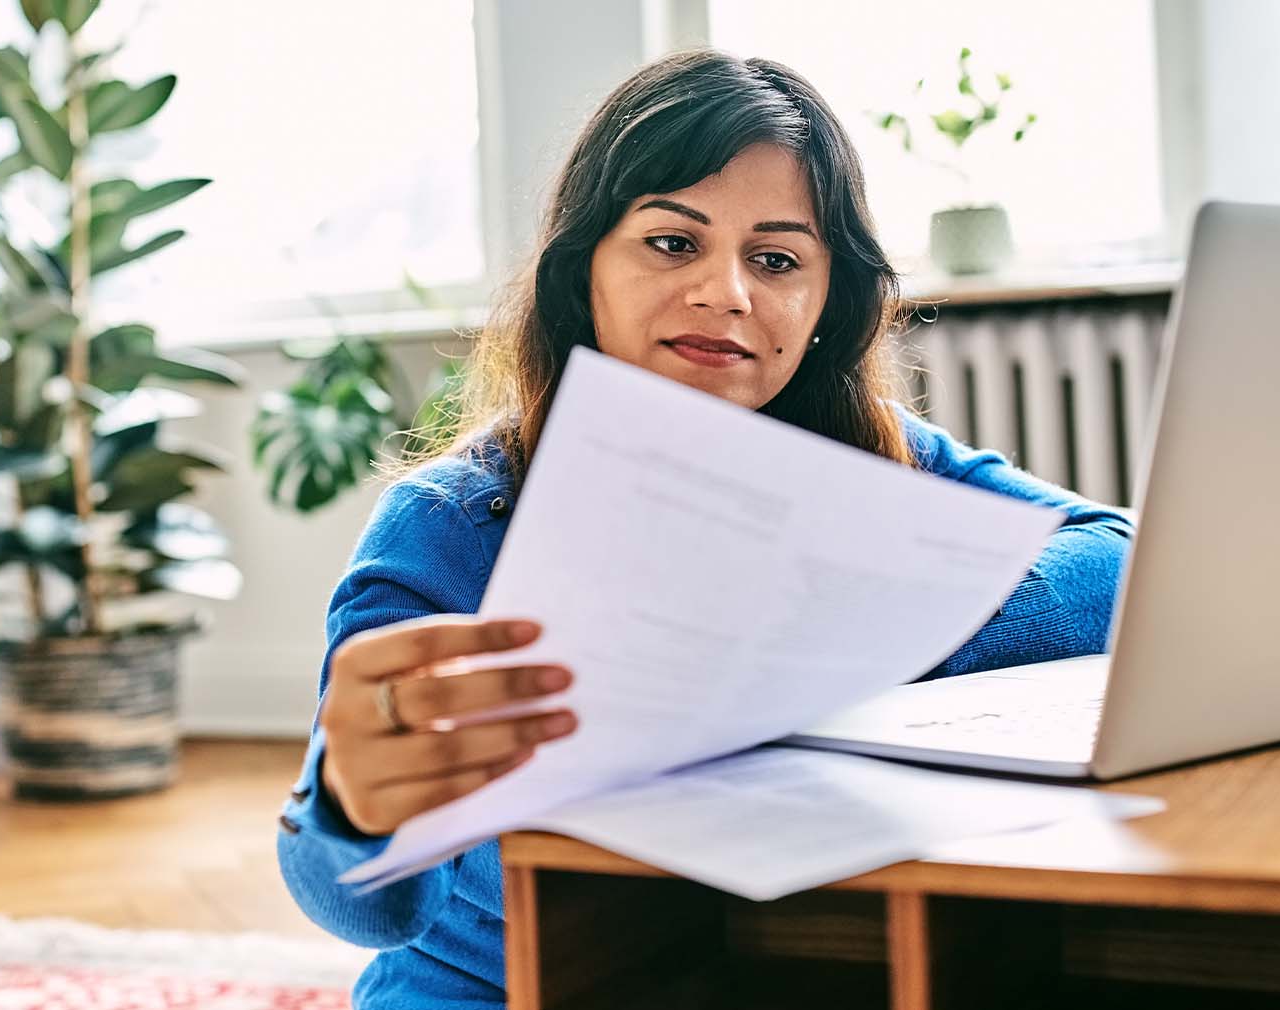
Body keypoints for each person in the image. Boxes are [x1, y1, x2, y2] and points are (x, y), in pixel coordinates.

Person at [276, 49, 1133, 1008]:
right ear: (582, 270)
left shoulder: (881, 463)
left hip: (782, 955)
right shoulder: (451, 524)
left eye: (777, 260)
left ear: (823, 306)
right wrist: (349, 806)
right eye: (673, 244)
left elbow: (1121, 555)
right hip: (494, 983)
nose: (728, 293)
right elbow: (365, 909)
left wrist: (880, 629)